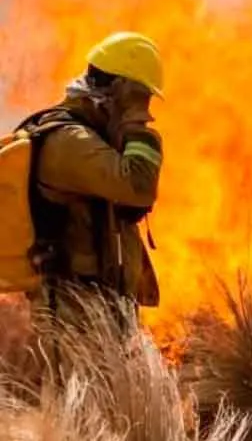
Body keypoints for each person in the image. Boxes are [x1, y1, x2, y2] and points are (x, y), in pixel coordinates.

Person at [22, 31, 164, 344]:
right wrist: (135, 121)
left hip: (97, 310)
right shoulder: (70, 142)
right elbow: (138, 185)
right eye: (140, 97)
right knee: (75, 393)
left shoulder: (95, 140)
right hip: (73, 316)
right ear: (119, 92)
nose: (146, 108)